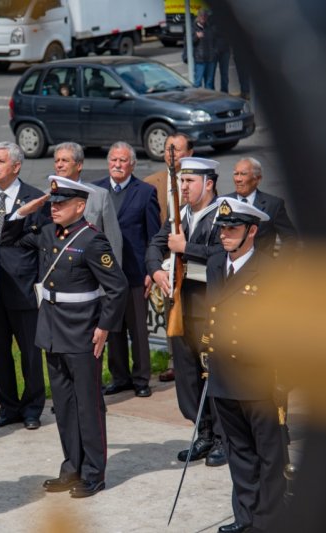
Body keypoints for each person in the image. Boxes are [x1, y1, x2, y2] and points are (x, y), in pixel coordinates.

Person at [1, 176, 127, 499]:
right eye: (53, 203)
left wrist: (103, 327)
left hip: (83, 332)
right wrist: (23, 211)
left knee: (88, 406)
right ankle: (71, 467)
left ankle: (93, 473)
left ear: (80, 206)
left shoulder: (92, 241)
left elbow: (117, 288)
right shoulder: (46, 233)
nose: (54, 208)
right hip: (52, 330)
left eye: (61, 204)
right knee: (64, 405)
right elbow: (9, 239)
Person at [203, 198, 285, 533]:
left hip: (258, 378)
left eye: (232, 228)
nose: (224, 235)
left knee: (270, 455)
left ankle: (270, 521)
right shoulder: (214, 264)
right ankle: (245, 517)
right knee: (239, 453)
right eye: (222, 228)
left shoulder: (271, 270)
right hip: (223, 377)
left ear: (251, 231)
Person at [145, 157, 226, 467]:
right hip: (181, 302)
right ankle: (203, 431)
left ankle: (223, 436)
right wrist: (155, 271)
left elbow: (223, 253)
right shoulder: (180, 214)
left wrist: (185, 248)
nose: (184, 187)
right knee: (188, 374)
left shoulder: (224, 213)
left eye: (190, 181)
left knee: (214, 372)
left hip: (211, 303)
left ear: (209, 183)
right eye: (182, 181)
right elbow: (154, 244)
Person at [0, 142, 50, 430]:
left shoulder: (35, 198)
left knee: (30, 352)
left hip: (23, 285)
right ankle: (8, 407)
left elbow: (43, 242)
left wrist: (40, 285)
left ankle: (32, 408)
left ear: (16, 166)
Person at [95, 142, 160, 398]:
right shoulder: (97, 189)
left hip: (135, 273)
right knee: (113, 328)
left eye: (123, 161)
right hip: (107, 274)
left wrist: (150, 270)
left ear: (132, 164)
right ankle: (119, 377)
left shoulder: (145, 192)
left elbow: (153, 236)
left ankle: (141, 378)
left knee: (138, 330)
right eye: (113, 160)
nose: (117, 165)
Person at [144, 133, 195, 383]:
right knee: (169, 316)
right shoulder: (152, 182)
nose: (170, 154)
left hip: (190, 263)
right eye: (167, 149)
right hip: (164, 263)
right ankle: (176, 363)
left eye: (177, 149)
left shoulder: (199, 184)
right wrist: (153, 267)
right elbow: (153, 233)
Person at [53, 142, 123, 264]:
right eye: (57, 160)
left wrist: (111, 278)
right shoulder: (45, 197)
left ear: (79, 165)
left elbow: (113, 241)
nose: (59, 165)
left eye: (64, 160)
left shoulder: (99, 195)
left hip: (90, 270)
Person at [225, 157, 298, 255]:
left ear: (257, 179)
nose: (238, 179)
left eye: (243, 174)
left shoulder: (273, 205)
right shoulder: (224, 202)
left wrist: (280, 265)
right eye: (236, 174)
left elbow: (290, 239)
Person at [144, 133, 195, 224]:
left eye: (177, 150)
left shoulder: (201, 183)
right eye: (168, 149)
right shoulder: (149, 183)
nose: (172, 154)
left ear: (189, 153)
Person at [191, 9, 217, 89]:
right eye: (202, 16)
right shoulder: (193, 28)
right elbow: (188, 42)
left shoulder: (209, 27)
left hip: (210, 59)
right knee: (197, 83)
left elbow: (214, 41)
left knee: (209, 83)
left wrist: (215, 52)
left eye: (205, 16)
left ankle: (208, 100)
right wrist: (196, 37)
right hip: (200, 60)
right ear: (198, 17)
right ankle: (197, 100)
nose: (203, 18)